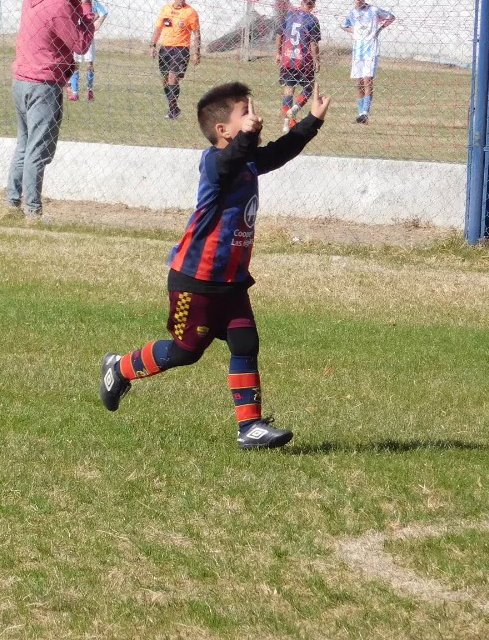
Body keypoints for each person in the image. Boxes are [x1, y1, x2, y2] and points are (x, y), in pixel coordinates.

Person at [98, 81, 333, 450]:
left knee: (245, 344)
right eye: (246, 114)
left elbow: (282, 150)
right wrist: (246, 139)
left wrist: (312, 121)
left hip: (232, 281)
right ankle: (119, 367)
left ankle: (250, 428)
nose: (256, 118)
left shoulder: (250, 161)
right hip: (196, 280)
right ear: (223, 130)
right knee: (185, 351)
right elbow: (228, 163)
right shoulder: (214, 162)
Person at [6, 0, 97, 219]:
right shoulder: (58, 4)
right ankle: (32, 210)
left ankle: (13, 202)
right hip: (43, 85)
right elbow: (81, 44)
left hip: (21, 81)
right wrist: (87, 5)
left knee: (24, 145)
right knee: (39, 150)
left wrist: (75, 0)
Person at [341, 0, 395, 124]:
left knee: (367, 81)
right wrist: (355, 31)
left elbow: (391, 17)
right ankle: (361, 115)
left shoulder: (374, 10)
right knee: (358, 82)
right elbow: (344, 25)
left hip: (371, 50)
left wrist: (380, 28)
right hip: (357, 51)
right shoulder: (352, 13)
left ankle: (365, 112)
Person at [149, 0, 202, 120]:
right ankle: (175, 107)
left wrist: (196, 52)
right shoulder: (166, 9)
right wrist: (153, 44)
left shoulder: (190, 12)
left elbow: (196, 34)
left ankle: (172, 111)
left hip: (181, 49)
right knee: (165, 79)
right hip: (165, 48)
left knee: (173, 77)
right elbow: (158, 28)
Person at [276, 0, 320, 132]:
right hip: (304, 61)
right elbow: (313, 43)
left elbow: (279, 34)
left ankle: (286, 123)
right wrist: (316, 60)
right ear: (313, 4)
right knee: (308, 89)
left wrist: (278, 53)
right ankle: (294, 110)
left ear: (302, 2)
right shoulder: (312, 20)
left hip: (288, 58)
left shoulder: (289, 15)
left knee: (288, 90)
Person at [69, 0, 108, 101]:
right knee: (75, 64)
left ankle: (89, 91)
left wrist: (97, 23)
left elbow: (104, 12)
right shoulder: (74, 1)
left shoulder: (93, 3)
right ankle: (75, 93)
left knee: (89, 64)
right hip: (76, 36)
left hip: (88, 37)